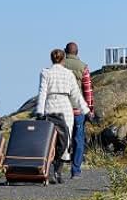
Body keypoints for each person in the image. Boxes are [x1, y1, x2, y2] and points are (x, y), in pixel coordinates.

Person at [35, 48, 90, 184]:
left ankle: (49, 169)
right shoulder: (68, 74)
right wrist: (86, 110)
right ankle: (58, 172)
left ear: (51, 59)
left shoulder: (45, 73)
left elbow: (42, 93)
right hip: (65, 106)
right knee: (65, 139)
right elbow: (76, 94)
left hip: (50, 105)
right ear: (63, 59)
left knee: (49, 140)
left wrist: (39, 111)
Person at [62, 41, 94, 179]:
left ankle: (56, 169)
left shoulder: (60, 66)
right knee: (78, 139)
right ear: (77, 52)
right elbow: (87, 91)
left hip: (61, 109)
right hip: (77, 110)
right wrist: (90, 109)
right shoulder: (83, 67)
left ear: (65, 51)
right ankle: (75, 170)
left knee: (60, 140)